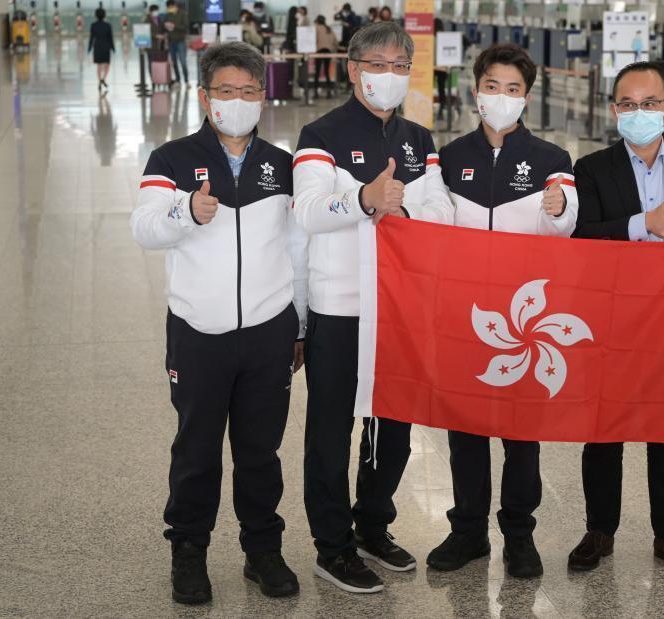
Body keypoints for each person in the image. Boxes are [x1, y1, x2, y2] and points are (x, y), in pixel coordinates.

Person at [130, 41, 308, 605]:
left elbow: (298, 249)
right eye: (226, 92)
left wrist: (298, 324)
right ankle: (188, 551)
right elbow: (145, 227)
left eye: (249, 92)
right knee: (197, 449)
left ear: (264, 96)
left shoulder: (281, 165)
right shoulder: (173, 159)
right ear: (206, 98)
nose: (238, 101)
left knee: (260, 450)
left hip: (267, 331)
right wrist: (186, 212)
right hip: (197, 332)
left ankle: (262, 550)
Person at [291, 21, 453, 594]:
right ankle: (332, 545)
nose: (390, 75)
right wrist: (363, 199)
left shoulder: (419, 140)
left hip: (402, 306)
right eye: (378, 64)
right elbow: (307, 210)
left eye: (400, 66)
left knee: (394, 426)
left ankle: (373, 524)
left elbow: (442, 211)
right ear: (353, 68)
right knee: (331, 429)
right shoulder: (321, 133)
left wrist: (404, 215)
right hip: (341, 306)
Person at [566, 61, 664, 576]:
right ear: (615, 111)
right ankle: (599, 530)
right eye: (629, 104)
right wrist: (643, 225)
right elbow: (581, 238)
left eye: (651, 103)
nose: (640, 112)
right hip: (610, 320)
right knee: (604, 429)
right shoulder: (591, 169)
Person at [425, 43, 578, 580]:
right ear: (476, 91)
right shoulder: (450, 157)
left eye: (513, 89)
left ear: (527, 98)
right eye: (493, 86)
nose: (501, 97)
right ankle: (467, 530)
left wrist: (559, 212)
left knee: (520, 433)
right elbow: (432, 228)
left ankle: (519, 534)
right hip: (467, 317)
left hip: (522, 321)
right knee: (465, 428)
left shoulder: (551, 162)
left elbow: (561, 232)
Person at [88, 8, 115, 93]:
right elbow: (110, 38)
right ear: (104, 15)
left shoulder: (93, 25)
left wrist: (89, 48)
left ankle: (100, 80)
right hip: (106, 46)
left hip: (97, 46)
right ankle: (104, 79)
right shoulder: (108, 25)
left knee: (99, 65)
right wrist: (113, 48)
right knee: (107, 64)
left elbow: (92, 37)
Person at [163, 0, 189, 87]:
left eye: (171, 7)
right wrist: (166, 26)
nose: (170, 9)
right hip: (171, 42)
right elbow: (164, 25)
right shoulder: (168, 15)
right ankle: (178, 80)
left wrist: (175, 26)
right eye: (168, 8)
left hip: (180, 41)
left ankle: (186, 81)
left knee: (183, 62)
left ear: (175, 6)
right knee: (174, 62)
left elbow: (185, 27)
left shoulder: (182, 14)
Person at [313, 15, 338, 97]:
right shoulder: (329, 28)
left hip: (319, 51)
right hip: (328, 52)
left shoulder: (316, 28)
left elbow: (314, 39)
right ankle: (329, 92)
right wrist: (332, 49)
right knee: (327, 72)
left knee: (317, 72)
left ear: (317, 21)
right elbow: (335, 41)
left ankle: (316, 92)